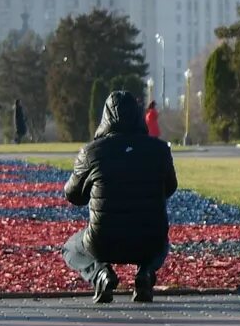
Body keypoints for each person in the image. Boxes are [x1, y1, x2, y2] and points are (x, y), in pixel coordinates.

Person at [67, 87, 180, 302]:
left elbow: (73, 196)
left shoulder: (91, 152)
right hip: (149, 239)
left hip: (103, 240)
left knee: (71, 248)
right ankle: (145, 274)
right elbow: (170, 188)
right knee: (160, 238)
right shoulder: (159, 150)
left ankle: (100, 274)